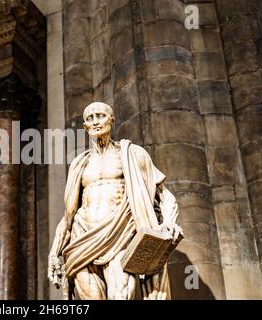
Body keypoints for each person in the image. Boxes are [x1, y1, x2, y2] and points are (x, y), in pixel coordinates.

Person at [48, 102, 183, 300]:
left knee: (120, 295)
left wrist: (169, 222)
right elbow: (69, 214)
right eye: (90, 118)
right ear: (85, 126)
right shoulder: (80, 164)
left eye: (100, 116)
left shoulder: (131, 154)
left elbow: (164, 196)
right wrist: (54, 252)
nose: (95, 122)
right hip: (82, 237)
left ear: (111, 120)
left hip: (120, 233)